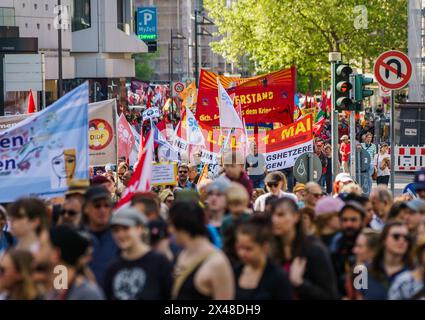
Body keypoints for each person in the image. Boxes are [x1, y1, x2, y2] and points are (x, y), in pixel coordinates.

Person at [270, 197, 338, 299]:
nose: (275, 220)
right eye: (272, 215)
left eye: (281, 215)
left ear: (296, 217)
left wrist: (300, 283)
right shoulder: (269, 250)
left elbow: (329, 295)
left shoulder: (314, 250)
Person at [103, 208, 173, 300]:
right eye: (116, 230)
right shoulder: (112, 267)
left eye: (125, 228)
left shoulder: (159, 263)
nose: (120, 234)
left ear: (139, 228)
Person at [170, 202, 235, 300]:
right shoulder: (182, 254)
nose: (169, 230)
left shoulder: (217, 263)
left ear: (180, 226)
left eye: (171, 225)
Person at [234, 216, 292, 300]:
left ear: (264, 247)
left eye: (248, 249)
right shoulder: (236, 271)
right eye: (239, 248)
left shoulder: (278, 277)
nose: (242, 253)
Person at [47, 225, 104, 300]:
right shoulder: (50, 292)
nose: (35, 251)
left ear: (55, 255)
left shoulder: (87, 294)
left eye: (42, 246)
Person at [360, 221, 413, 300]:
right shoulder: (364, 271)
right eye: (396, 236)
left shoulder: (414, 273)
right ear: (384, 239)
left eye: (406, 238)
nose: (402, 241)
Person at [83, 186, 119, 285]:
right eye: (97, 206)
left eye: (106, 205)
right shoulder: (76, 238)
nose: (102, 210)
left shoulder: (120, 237)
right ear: (86, 208)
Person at [330, 201, 366, 298]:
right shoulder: (336, 243)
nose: (348, 224)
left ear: (362, 221)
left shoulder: (371, 243)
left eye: (353, 220)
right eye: (345, 220)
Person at [221, 183, 252, 267]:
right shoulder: (226, 221)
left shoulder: (251, 218)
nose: (236, 208)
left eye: (239, 203)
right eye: (232, 204)